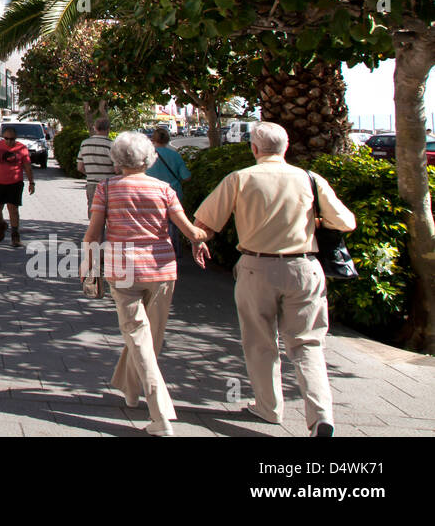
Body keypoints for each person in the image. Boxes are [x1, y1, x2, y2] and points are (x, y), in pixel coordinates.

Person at [191, 121, 357, 437]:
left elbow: (205, 223)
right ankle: (321, 416)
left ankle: (268, 407)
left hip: (256, 268)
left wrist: (198, 240)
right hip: (304, 268)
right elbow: (346, 222)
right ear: (286, 146)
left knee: (260, 342)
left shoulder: (240, 179)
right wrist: (316, 219)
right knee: (308, 344)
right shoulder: (310, 180)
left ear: (254, 148)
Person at [82, 132, 210, 437]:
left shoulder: (107, 188)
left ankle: (160, 415)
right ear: (148, 159)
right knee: (148, 337)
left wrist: (87, 264)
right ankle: (130, 391)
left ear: (117, 159)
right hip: (163, 270)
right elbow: (188, 229)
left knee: (138, 337)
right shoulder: (164, 189)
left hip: (123, 271)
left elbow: (94, 232)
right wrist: (201, 239)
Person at [0, 124, 34, 246]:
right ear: (3, 137)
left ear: (16, 138)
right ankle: (1, 224)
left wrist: (31, 182)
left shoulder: (22, 148)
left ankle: (15, 236)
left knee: (13, 209)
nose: (9, 141)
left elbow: (28, 167)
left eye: (12, 139)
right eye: (7, 138)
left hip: (15, 183)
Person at [145, 127, 192, 265]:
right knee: (173, 226)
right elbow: (186, 176)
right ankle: (173, 254)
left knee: (152, 225)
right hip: (173, 194)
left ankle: (152, 254)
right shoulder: (175, 156)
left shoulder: (148, 156)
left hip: (151, 195)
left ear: (153, 139)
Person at [76, 117, 116, 213]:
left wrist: (90, 174)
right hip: (108, 184)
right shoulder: (112, 145)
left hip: (92, 184)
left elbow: (80, 167)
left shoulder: (85, 144)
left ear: (95, 128)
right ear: (108, 129)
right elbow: (117, 168)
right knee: (110, 215)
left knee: (94, 215)